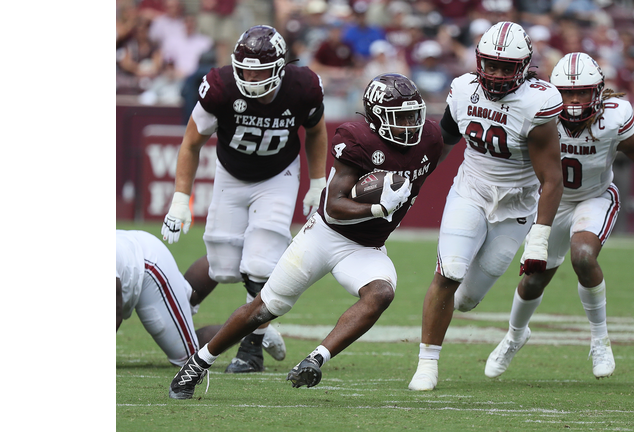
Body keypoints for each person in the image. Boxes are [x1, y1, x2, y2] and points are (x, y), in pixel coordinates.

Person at [167, 73, 448, 399]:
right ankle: (197, 364)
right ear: (376, 118)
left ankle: (316, 359)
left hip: (367, 246)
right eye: (401, 118)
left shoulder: (429, 138)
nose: (411, 125)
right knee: (264, 308)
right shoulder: (357, 139)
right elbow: (332, 208)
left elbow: (420, 164)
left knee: (381, 293)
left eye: (415, 115)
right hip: (325, 236)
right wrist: (377, 207)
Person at [160, 25, 327, 374]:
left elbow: (315, 132)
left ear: (281, 68)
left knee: (262, 260)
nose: (250, 77)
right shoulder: (220, 86)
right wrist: (180, 198)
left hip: (278, 175)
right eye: (245, 68)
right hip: (230, 174)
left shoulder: (302, 87)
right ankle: (184, 308)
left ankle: (251, 351)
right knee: (223, 262)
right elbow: (191, 142)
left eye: (260, 70)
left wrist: (317, 180)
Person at [408, 21, 564, 391]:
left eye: (505, 67)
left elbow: (553, 179)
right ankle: (427, 363)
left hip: (517, 204)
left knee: (467, 300)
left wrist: (540, 238)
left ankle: (492, 321)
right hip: (471, 190)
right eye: (489, 65)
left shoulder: (537, 103)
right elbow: (445, 139)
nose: (494, 74)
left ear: (523, 67)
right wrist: (414, 177)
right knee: (449, 272)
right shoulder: (463, 89)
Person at [483, 52, 634, 380]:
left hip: (595, 197)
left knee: (583, 256)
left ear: (598, 91)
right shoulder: (540, 112)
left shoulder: (615, 117)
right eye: (567, 93)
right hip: (551, 202)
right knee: (533, 279)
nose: (573, 101)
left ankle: (600, 339)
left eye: (582, 92)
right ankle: (515, 335)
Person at [116, 229, 221, 366]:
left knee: (189, 356)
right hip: (133, 246)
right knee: (188, 297)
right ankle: (231, 254)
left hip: (148, 264)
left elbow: (115, 312)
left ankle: (249, 328)